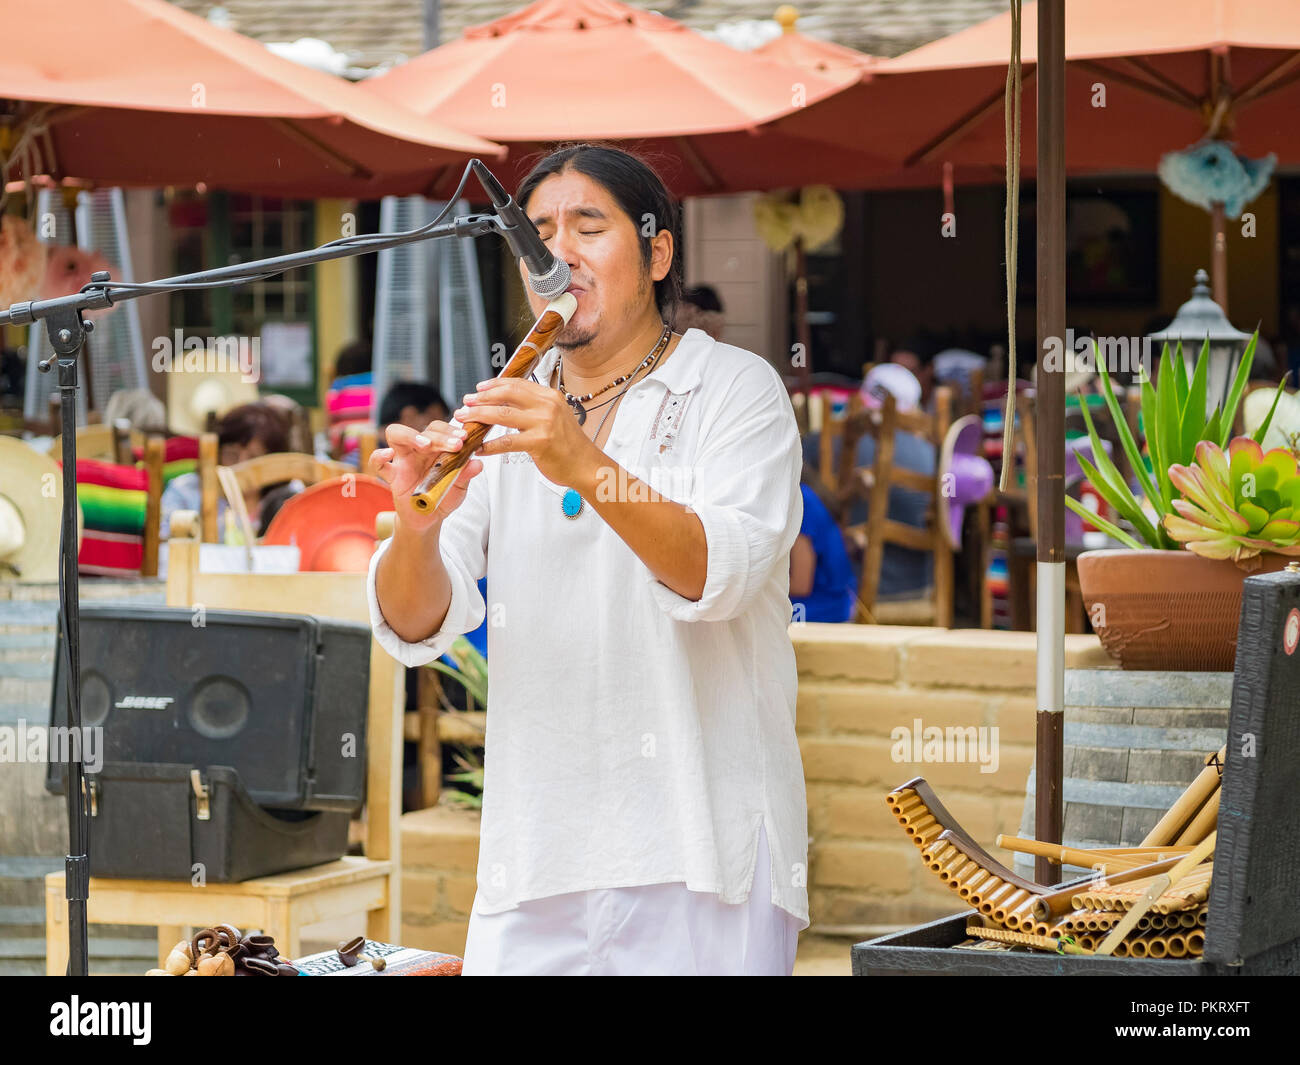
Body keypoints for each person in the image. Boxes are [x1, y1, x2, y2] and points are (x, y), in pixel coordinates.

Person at [368, 143, 808, 976]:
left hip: (701, 852)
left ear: (657, 251)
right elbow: (416, 619)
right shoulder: (499, 412)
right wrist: (417, 524)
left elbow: (719, 573)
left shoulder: (736, 390)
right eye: (536, 232)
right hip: (535, 855)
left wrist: (583, 464)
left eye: (588, 226)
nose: (557, 253)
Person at [802, 363, 936, 602]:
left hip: (849, 593)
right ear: (913, 410)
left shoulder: (822, 443)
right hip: (921, 588)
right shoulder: (931, 454)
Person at [159, 402, 297, 551]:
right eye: (232, 454)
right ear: (216, 453)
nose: (241, 465)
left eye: (254, 458)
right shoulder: (185, 492)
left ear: (274, 462)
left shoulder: (287, 499)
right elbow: (165, 549)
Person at [789, 464, 855, 623]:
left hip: (822, 610)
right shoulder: (809, 493)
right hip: (838, 603)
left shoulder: (801, 502)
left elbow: (801, 585)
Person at [378, 382, 450, 445]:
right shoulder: (388, 457)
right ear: (409, 416)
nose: (443, 427)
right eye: (435, 419)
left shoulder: (375, 445)